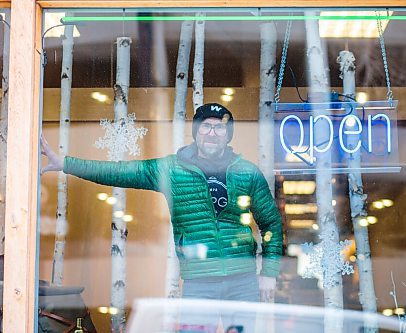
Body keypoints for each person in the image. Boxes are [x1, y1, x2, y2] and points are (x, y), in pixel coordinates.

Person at [41, 103, 283, 329]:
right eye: (206, 126)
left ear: (228, 134)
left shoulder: (247, 172)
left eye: (220, 127)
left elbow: (270, 223)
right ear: (196, 131)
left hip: (242, 279)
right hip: (199, 280)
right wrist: (65, 163)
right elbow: (119, 172)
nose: (212, 132)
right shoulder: (171, 169)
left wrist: (269, 274)